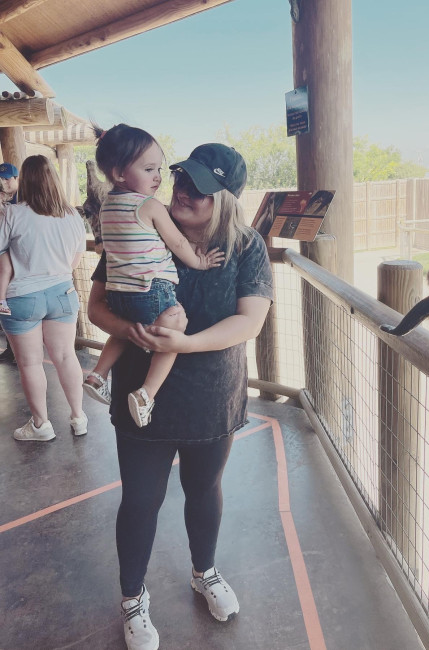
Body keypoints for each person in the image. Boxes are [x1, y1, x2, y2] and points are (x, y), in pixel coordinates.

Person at [88, 143, 273, 650]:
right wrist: (133, 330)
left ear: (227, 199)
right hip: (140, 399)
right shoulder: (137, 221)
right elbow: (96, 305)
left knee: (204, 488)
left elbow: (250, 319)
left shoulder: (246, 245)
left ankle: (204, 571)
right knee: (141, 500)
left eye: (202, 188)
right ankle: (132, 598)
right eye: (183, 180)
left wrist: (186, 343)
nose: (185, 192)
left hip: (212, 394)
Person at [82, 124, 224, 428]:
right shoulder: (149, 205)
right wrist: (199, 263)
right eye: (149, 169)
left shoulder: (107, 205)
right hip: (150, 288)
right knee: (174, 324)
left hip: (118, 292)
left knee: (126, 331)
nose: (158, 177)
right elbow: (177, 243)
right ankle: (147, 393)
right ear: (120, 173)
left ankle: (97, 374)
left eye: (159, 168)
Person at [0, 155, 87, 441]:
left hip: (22, 297)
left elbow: (2, 257)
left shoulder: (11, 214)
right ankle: (78, 418)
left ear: (24, 180)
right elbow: (74, 261)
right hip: (63, 293)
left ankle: (41, 425)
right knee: (65, 356)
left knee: (30, 363)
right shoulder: (72, 215)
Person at [0, 162, 19, 361]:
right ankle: (11, 349)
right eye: (1, 179)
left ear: (16, 178)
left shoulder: (24, 199)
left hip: (19, 259)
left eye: (7, 178)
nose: (4, 182)